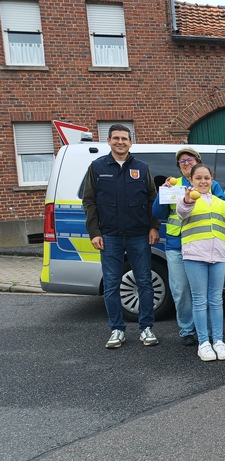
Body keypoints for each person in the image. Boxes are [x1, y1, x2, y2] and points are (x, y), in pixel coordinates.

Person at [82, 124, 160, 349]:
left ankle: (146, 328)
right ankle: (117, 329)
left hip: (139, 235)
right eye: (116, 138)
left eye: (124, 138)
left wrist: (154, 227)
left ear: (130, 142)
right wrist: (94, 232)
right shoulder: (97, 168)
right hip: (110, 236)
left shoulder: (142, 168)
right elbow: (89, 201)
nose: (120, 142)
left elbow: (151, 200)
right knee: (111, 284)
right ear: (108, 141)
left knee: (145, 282)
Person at [152, 147, 225, 346]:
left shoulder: (211, 185)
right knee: (182, 290)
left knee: (207, 293)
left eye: (190, 160)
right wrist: (164, 191)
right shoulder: (173, 186)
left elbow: (224, 207)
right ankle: (187, 329)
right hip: (177, 245)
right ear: (179, 166)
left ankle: (211, 331)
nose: (186, 163)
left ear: (198, 162)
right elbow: (157, 212)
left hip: (203, 245)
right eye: (182, 161)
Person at [177, 164, 225, 361]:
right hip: (195, 257)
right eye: (198, 178)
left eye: (206, 178)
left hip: (219, 257)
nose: (203, 182)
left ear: (212, 180)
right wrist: (187, 200)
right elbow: (182, 211)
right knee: (200, 300)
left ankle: (218, 340)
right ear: (191, 181)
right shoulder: (186, 199)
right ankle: (204, 342)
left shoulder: (221, 204)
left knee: (216, 301)